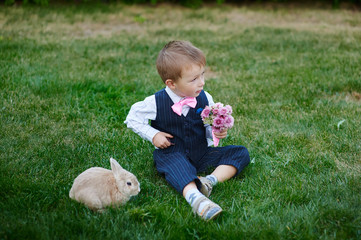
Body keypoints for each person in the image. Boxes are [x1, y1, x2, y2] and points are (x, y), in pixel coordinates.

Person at [125, 40, 250, 221]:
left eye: (202, 75)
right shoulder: (156, 101)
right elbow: (132, 118)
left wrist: (216, 132)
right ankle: (196, 199)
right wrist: (154, 135)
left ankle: (208, 181)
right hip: (173, 152)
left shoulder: (205, 98)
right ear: (172, 83)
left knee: (240, 153)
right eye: (194, 79)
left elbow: (208, 126)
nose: (201, 82)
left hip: (201, 153)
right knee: (177, 165)